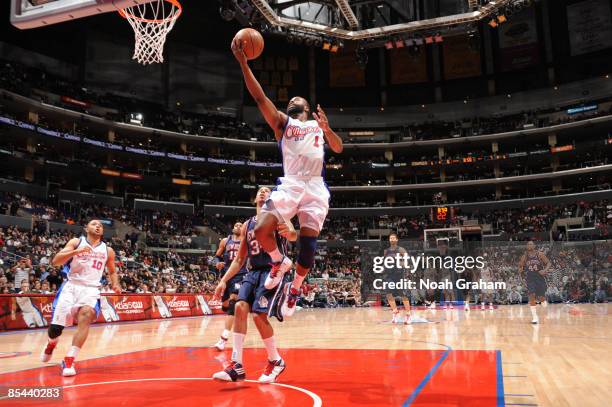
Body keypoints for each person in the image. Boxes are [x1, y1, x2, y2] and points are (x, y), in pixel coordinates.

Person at [231, 35, 343, 318]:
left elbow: (339, 148)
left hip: (315, 185)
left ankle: (295, 288)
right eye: (290, 98)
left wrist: (328, 130)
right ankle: (279, 261)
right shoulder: (283, 123)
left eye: (297, 97)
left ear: (305, 106)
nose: (292, 98)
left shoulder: (318, 127)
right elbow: (259, 97)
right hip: (292, 182)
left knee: (308, 250)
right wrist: (244, 63)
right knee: (258, 229)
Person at [211, 187, 297, 384]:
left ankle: (275, 360)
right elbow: (240, 258)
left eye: (267, 190)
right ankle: (237, 365)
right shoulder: (248, 224)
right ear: (255, 198)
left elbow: (292, 235)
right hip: (253, 272)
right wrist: (223, 281)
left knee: (259, 315)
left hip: (272, 270)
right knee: (239, 307)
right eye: (260, 190)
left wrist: (290, 231)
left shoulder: (277, 215)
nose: (263, 192)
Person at [40, 219, 121, 376]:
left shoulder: (108, 250)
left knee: (87, 314)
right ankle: (51, 344)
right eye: (94, 224)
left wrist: (115, 284)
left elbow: (112, 271)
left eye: (100, 226)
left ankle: (69, 359)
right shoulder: (76, 242)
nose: (98, 226)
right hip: (71, 287)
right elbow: (56, 261)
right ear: (86, 228)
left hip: (91, 289)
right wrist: (76, 252)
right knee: (55, 330)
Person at [212, 222, 247, 351]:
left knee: (233, 303)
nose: (237, 226)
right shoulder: (225, 241)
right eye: (236, 225)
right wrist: (217, 263)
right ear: (232, 227)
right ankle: (238, 320)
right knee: (226, 306)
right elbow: (216, 257)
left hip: (241, 274)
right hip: (226, 276)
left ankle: (223, 339)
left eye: (240, 225)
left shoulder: (246, 240)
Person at [518, 240, 551, 324]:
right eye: (528, 244)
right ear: (526, 246)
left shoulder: (540, 254)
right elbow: (520, 267)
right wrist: (521, 273)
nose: (529, 245)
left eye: (531, 244)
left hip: (540, 277)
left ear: (534, 246)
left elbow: (548, 263)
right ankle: (535, 317)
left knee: (541, 299)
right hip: (530, 278)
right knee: (531, 295)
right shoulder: (524, 257)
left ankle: (543, 301)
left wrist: (544, 270)